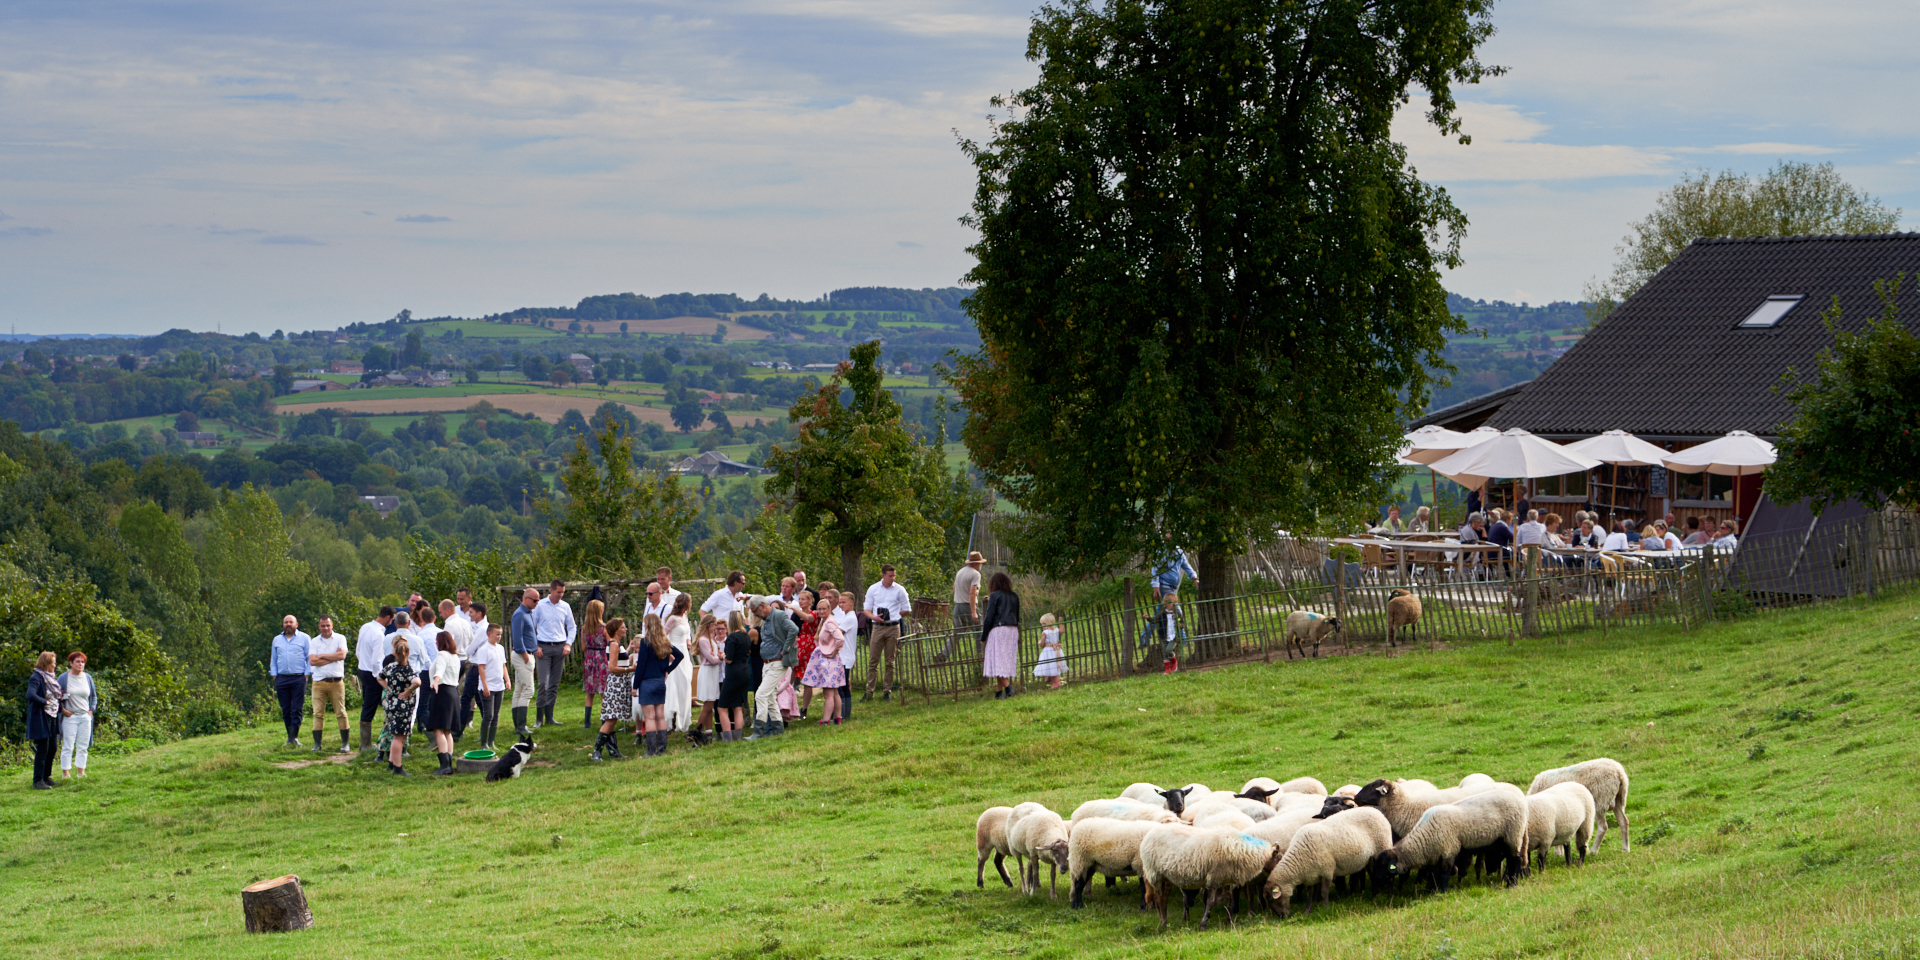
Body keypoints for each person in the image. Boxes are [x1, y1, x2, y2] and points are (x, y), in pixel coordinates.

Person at [633, 614, 686, 758]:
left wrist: (635, 686)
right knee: (660, 716)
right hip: (660, 682)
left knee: (649, 717)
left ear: (648, 625)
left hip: (647, 682)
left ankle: (650, 751)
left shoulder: (645, 642)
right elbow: (680, 655)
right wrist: (667, 670)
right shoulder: (664, 642)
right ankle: (662, 749)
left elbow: (641, 666)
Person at [747, 598, 797, 740]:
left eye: (755, 611)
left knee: (760, 695)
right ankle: (777, 729)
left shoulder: (779, 615)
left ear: (762, 606)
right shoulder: (766, 619)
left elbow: (794, 629)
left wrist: (786, 648)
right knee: (770, 697)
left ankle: (759, 731)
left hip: (777, 662)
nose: (755, 614)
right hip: (767, 663)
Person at [532, 580, 576, 729]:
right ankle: (539, 718)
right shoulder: (540, 606)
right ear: (551, 591)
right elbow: (532, 626)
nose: (561, 595)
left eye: (563, 592)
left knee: (554, 684)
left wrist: (568, 643)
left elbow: (572, 627)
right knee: (543, 683)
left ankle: (549, 716)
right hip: (543, 647)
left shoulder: (565, 606)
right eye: (558, 592)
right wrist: (535, 645)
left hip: (560, 647)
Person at [863, 564, 909, 703]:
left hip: (893, 627)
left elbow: (907, 609)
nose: (892, 578)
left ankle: (886, 691)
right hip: (877, 626)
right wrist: (874, 617)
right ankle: (869, 691)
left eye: (894, 575)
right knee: (873, 661)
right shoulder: (873, 589)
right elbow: (866, 609)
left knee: (890, 661)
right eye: (890, 576)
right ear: (883, 575)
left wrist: (896, 613)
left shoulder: (900, 590)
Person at [376, 635, 421, 776]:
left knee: (392, 732)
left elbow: (379, 677)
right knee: (399, 737)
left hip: (391, 704)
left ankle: (391, 762)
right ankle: (398, 767)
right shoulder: (407, 670)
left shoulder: (391, 666)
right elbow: (418, 682)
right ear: (408, 653)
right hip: (403, 707)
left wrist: (388, 688)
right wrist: (408, 691)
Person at [307, 615, 352, 754]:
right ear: (319, 626)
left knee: (341, 712)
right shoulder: (314, 641)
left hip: (336, 681)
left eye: (328, 625)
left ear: (332, 625)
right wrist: (332, 656)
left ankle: (345, 743)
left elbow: (342, 656)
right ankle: (317, 744)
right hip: (318, 682)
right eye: (322, 625)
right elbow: (313, 661)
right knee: (317, 713)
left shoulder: (340, 638)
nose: (325, 628)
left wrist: (322, 656)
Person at [591, 617, 633, 761]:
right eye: (623, 626)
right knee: (610, 718)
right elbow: (612, 668)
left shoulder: (616, 644)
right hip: (617, 683)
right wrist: (630, 668)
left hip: (621, 683)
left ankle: (613, 750)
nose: (625, 628)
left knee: (613, 719)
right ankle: (596, 751)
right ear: (616, 630)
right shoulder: (614, 645)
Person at [354, 606, 394, 753]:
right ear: (388, 617)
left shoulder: (365, 627)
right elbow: (377, 661)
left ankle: (365, 743)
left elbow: (358, 651)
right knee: (370, 706)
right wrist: (380, 678)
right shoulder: (379, 634)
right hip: (373, 674)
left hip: (362, 669)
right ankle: (365, 745)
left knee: (367, 703)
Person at [801, 596, 846, 726]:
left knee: (828, 693)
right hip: (830, 660)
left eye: (823, 609)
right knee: (835, 692)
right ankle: (837, 719)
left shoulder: (830, 622)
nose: (820, 611)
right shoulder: (824, 621)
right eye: (819, 609)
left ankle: (825, 721)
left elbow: (840, 638)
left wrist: (835, 651)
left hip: (829, 661)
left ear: (829, 609)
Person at [268, 615, 311, 748]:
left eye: (290, 622)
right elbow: (273, 659)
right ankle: (289, 738)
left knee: (296, 709)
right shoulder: (276, 640)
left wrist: (306, 675)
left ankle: (295, 737)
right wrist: (275, 676)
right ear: (283, 624)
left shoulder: (304, 638)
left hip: (299, 678)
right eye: (286, 622)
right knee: (285, 709)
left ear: (296, 624)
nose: (288, 624)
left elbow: (310, 658)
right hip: (282, 678)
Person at [425, 631, 462, 776]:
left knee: (438, 729)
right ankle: (449, 763)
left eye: (436, 640)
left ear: (441, 642)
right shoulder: (455, 657)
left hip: (442, 692)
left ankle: (445, 765)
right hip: (453, 692)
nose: (435, 643)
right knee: (447, 731)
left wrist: (435, 682)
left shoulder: (442, 655)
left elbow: (439, 670)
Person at [979, 572, 1021, 698]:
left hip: (999, 629)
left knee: (996, 660)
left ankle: (1009, 689)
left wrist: (983, 636)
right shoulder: (1014, 596)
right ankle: (998, 692)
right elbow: (1017, 615)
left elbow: (989, 617)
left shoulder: (994, 595)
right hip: (1012, 629)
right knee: (1003, 661)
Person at [939, 551, 985, 662]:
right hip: (968, 606)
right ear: (977, 563)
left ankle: (943, 654)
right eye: (980, 563)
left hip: (957, 606)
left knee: (957, 633)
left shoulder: (960, 572)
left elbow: (954, 590)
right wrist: (973, 612)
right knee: (979, 631)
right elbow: (972, 593)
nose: (981, 565)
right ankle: (981, 657)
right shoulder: (975, 574)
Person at [56, 652, 96, 780]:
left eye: (82, 662)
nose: (80, 664)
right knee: (68, 745)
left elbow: (94, 697)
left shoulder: (88, 678)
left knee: (83, 745)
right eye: (78, 661)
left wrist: (91, 711)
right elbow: (55, 697)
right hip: (70, 717)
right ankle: (66, 774)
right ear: (71, 663)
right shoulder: (63, 678)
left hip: (85, 716)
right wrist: (62, 710)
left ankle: (81, 772)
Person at [716, 610, 753, 739]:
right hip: (745, 670)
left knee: (722, 708)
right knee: (737, 706)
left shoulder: (732, 637)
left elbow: (729, 659)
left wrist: (722, 656)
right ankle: (738, 735)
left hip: (733, 673)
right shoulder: (746, 635)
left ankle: (727, 738)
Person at [26, 651, 60, 789]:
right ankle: (37, 781)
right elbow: (30, 694)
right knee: (43, 748)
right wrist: (44, 702)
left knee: (53, 747)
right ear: (46, 664)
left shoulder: (50, 678)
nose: (55, 664)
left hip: (52, 715)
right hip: (41, 717)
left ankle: (46, 776)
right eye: (53, 662)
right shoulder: (36, 677)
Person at [509, 588, 539, 739]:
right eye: (534, 600)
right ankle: (521, 725)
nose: (537, 603)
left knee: (520, 689)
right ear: (526, 599)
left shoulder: (528, 613)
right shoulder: (520, 614)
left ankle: (519, 725)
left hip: (526, 653)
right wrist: (525, 655)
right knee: (528, 689)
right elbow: (517, 636)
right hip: (523, 654)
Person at [692, 613, 726, 746]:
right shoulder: (703, 640)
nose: (716, 628)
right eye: (714, 625)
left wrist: (718, 654)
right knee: (707, 705)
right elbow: (712, 659)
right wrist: (721, 657)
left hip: (712, 672)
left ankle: (708, 733)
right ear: (709, 625)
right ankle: (697, 733)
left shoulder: (710, 639)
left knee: (710, 704)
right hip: (707, 671)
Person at [664, 592, 694, 737]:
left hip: (684, 652)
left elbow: (686, 633)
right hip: (675, 651)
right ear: (686, 603)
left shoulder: (684, 617)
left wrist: (688, 640)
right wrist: (669, 653)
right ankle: (671, 720)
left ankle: (683, 718)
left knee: (685, 684)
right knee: (674, 685)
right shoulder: (673, 619)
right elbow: (663, 636)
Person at [579, 599, 609, 731]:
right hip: (602, 659)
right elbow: (609, 644)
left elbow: (583, 647)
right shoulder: (604, 628)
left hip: (590, 659)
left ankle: (587, 722)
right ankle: (604, 720)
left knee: (589, 692)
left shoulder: (585, 629)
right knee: (604, 691)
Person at [790, 589, 818, 721]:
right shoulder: (796, 615)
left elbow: (808, 618)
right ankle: (788, 705)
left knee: (807, 679)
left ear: (810, 601)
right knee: (792, 673)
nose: (800, 601)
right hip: (799, 645)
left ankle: (804, 708)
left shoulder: (814, 614)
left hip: (810, 647)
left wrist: (792, 608)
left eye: (803, 599)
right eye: (799, 599)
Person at [833, 590, 859, 721]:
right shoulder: (846, 616)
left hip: (845, 656)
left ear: (851, 602)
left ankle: (844, 715)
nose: (841, 605)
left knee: (842, 687)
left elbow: (837, 633)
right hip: (844, 656)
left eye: (843, 602)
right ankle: (841, 713)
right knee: (840, 686)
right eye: (840, 602)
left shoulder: (849, 618)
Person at [1150, 538, 1197, 603]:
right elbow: (1155, 569)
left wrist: (1195, 578)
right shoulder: (1161, 552)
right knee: (1173, 608)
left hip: (1173, 588)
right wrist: (1156, 588)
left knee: (1164, 609)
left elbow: (1185, 565)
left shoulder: (1179, 551)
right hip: (1164, 586)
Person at [1157, 592, 1187, 673]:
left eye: (1175, 603)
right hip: (1164, 636)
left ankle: (1174, 662)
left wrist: (1181, 625)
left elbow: (1183, 623)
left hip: (1174, 636)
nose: (1173, 604)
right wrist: (1148, 618)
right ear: (1165, 604)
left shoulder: (1177, 614)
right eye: (1171, 602)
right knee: (1165, 652)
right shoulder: (1162, 614)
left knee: (1168, 650)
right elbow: (1155, 620)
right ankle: (1167, 670)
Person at [1033, 613, 1066, 690]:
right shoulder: (1056, 630)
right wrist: (1060, 623)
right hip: (1056, 650)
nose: (1042, 626)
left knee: (1050, 664)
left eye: (1042, 624)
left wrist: (1039, 643)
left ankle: (1056, 683)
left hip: (1048, 651)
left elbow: (1042, 643)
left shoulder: (1045, 633)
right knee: (1052, 664)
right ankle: (1050, 677)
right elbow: (1062, 631)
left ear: (1046, 624)